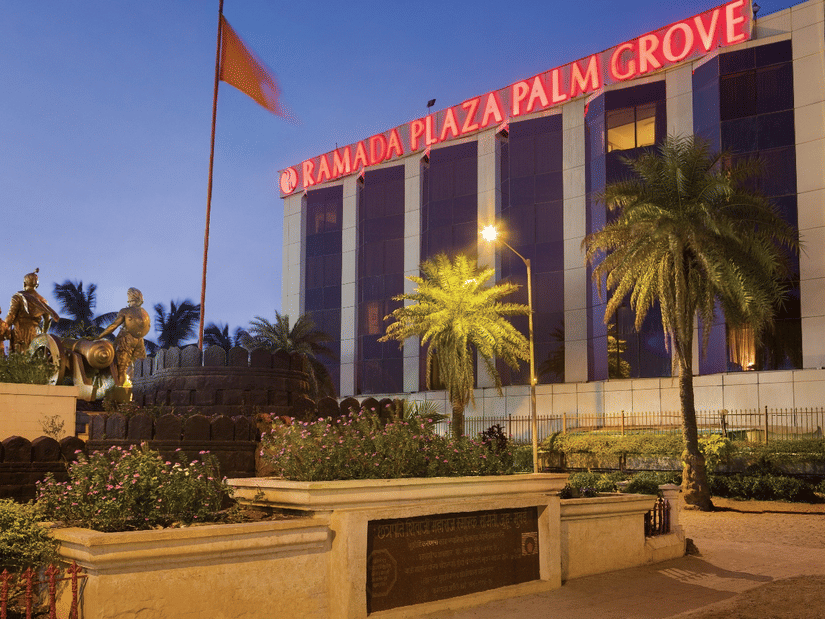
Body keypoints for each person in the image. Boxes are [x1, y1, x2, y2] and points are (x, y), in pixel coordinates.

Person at [96, 288, 151, 387]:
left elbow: (113, 326)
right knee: (142, 368)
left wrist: (99, 337)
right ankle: (142, 392)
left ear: (129, 298)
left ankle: (119, 395)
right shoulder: (143, 312)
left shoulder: (125, 311)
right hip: (139, 340)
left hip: (126, 340)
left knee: (121, 370)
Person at [5, 269, 60, 353]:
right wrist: (43, 333)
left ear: (24, 283)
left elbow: (11, 316)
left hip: (20, 332)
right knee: (33, 360)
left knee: (19, 360)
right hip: (36, 333)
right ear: (36, 284)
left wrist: (3, 328)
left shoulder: (18, 297)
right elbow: (47, 319)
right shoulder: (42, 301)